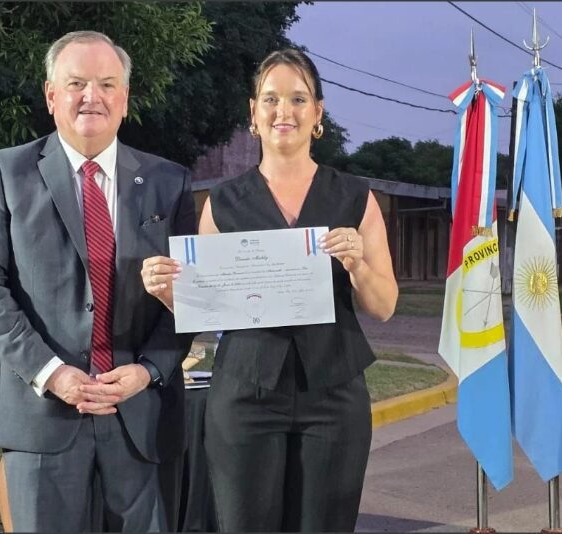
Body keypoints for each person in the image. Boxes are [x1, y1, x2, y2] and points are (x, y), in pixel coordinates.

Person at [141, 48, 399, 532]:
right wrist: (167, 293)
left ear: (318, 113)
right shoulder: (223, 202)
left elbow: (383, 306)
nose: (285, 111)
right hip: (244, 396)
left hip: (334, 396)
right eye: (272, 99)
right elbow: (208, 308)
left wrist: (357, 263)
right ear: (253, 113)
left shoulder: (354, 197)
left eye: (299, 99)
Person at [0, 30, 195, 533]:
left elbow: (192, 295)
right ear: (51, 96)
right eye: (77, 83)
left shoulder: (169, 182)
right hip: (40, 410)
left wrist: (149, 370)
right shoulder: (5, 171)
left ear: (125, 100)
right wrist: (52, 372)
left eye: (108, 84)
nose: (93, 96)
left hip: (141, 417)